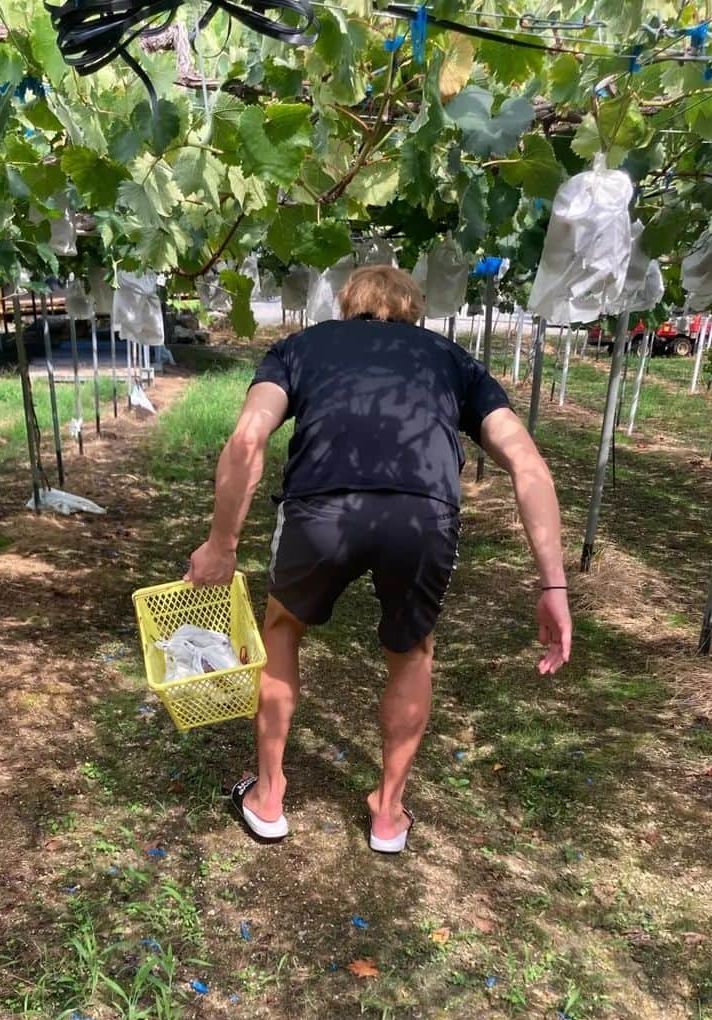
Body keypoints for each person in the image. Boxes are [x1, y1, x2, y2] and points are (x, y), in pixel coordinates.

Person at [186, 264, 572, 854]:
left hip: (321, 512)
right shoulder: (453, 360)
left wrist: (221, 546)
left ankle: (268, 797)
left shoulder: (299, 348)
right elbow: (527, 462)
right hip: (422, 518)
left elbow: (245, 440)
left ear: (347, 306)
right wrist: (554, 586)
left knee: (282, 629)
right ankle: (387, 815)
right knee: (412, 653)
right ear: (415, 310)